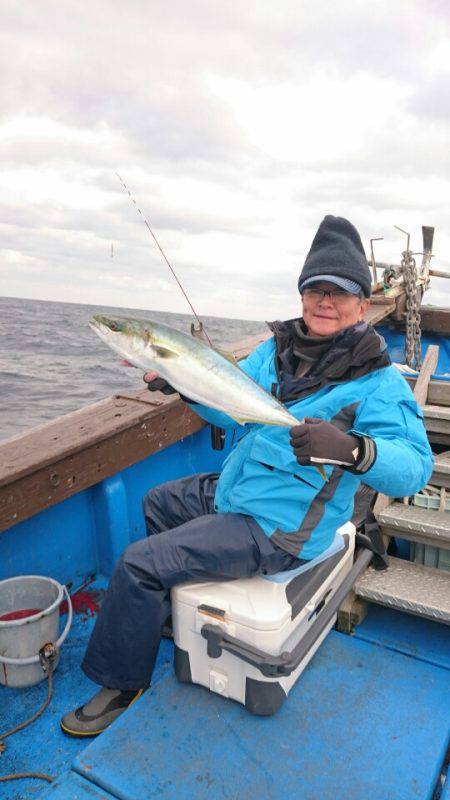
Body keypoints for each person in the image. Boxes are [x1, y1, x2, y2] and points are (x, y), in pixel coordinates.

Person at [61, 215, 433, 737]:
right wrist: (183, 383)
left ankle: (121, 684)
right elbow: (230, 407)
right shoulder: (276, 351)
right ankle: (165, 614)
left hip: (280, 526)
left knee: (139, 563)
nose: (325, 301)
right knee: (158, 502)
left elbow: (415, 469)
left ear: (362, 305)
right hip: (240, 493)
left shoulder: (378, 380)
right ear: (302, 296)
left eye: (340, 292)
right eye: (315, 289)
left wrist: (352, 449)